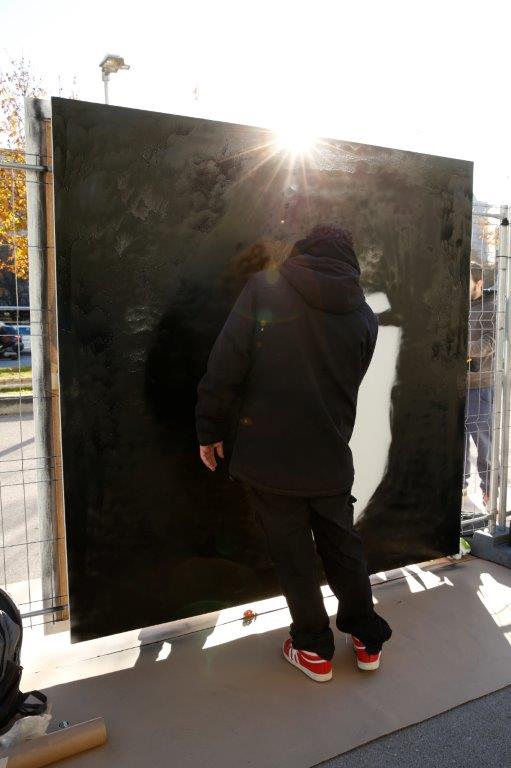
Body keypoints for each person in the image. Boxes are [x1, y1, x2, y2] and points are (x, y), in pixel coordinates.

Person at [195, 225, 392, 683]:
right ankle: (367, 639)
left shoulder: (265, 290)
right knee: (343, 546)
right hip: (330, 455)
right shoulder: (364, 316)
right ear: (350, 262)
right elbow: (351, 380)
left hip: (270, 456)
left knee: (293, 554)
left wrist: (210, 428)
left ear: (303, 251)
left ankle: (313, 649)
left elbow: (226, 363)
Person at [463, 261, 496, 507]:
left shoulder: (490, 308)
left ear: (480, 283)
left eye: (468, 283)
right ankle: (460, 487)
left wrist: (460, 347)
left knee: (483, 444)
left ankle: (489, 492)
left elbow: (489, 343)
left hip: (480, 386)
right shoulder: (460, 306)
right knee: (458, 442)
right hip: (457, 385)